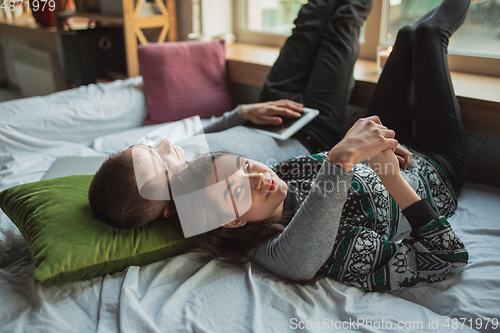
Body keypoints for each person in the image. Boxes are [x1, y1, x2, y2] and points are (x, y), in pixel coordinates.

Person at [171, 0, 471, 292]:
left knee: (406, 35)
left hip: (393, 147)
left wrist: (379, 145)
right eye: (237, 190)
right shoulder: (327, 247)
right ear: (234, 221)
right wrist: (391, 178)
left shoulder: (280, 178)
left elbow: (334, 159)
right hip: (438, 171)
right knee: (429, 34)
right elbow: (446, 256)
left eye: (246, 165)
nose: (259, 177)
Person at [89, 0, 374, 228]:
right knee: (343, 24)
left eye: (150, 147)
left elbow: (208, 133)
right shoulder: (209, 206)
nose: (164, 144)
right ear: (167, 210)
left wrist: (246, 111)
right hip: (311, 131)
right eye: (160, 159)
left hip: (266, 110)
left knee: (309, 20)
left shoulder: (180, 161)